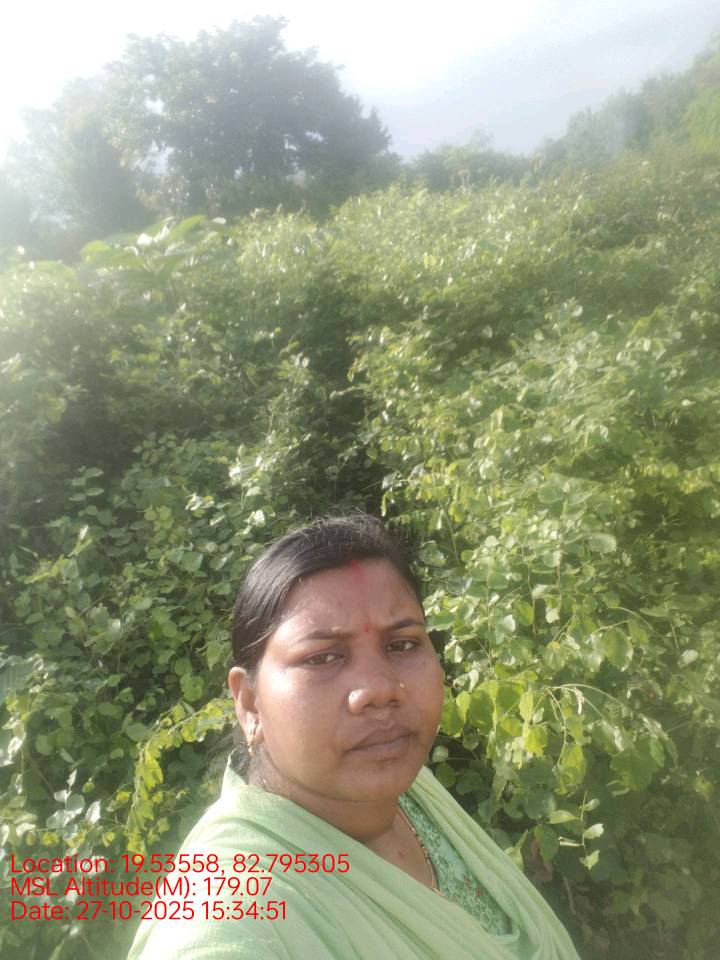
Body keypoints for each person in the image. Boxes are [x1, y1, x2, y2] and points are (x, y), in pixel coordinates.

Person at [127, 513, 580, 960]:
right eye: (322, 657)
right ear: (249, 703)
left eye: (402, 644)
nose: (379, 689)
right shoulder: (229, 907)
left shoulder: (406, 791)